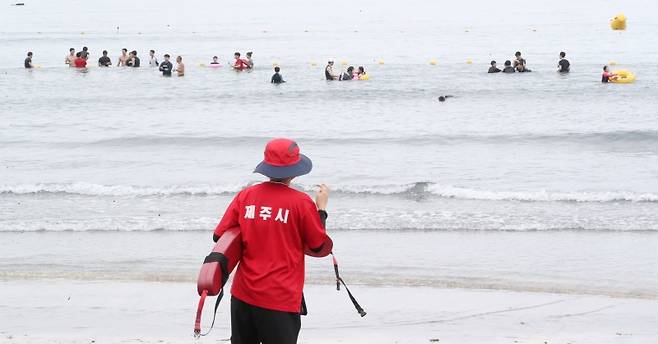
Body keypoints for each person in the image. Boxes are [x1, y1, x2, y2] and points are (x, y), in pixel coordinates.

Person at [212, 138, 332, 344]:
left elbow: (220, 236)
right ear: (295, 171)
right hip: (280, 297)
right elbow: (318, 245)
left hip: (243, 293)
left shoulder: (245, 196)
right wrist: (321, 209)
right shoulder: (301, 203)